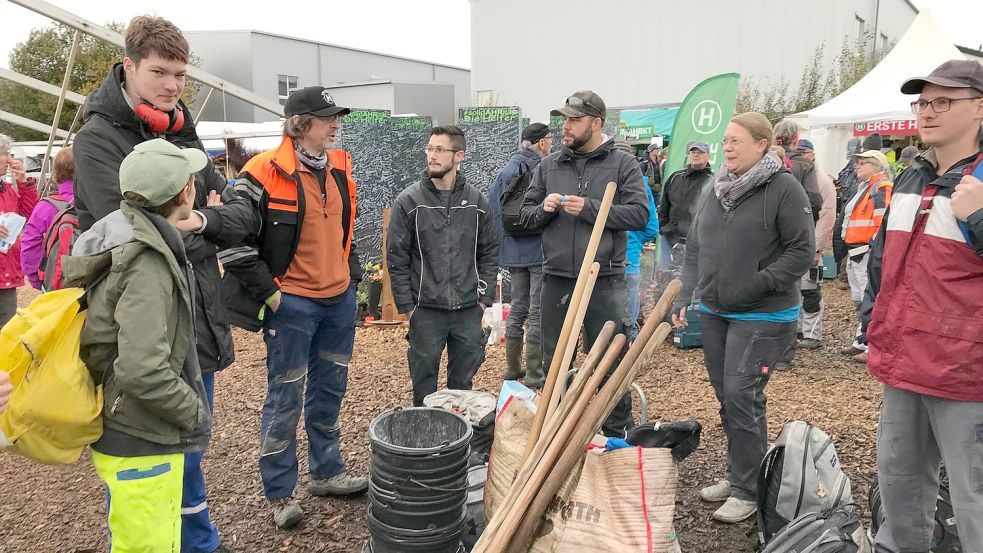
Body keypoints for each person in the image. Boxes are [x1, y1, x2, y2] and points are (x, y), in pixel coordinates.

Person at [70, 16, 255, 553]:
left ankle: (193, 539)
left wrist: (199, 223)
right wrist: (209, 224)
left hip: (194, 310)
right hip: (142, 315)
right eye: (160, 72)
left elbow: (240, 215)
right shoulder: (98, 138)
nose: (173, 85)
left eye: (180, 74)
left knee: (184, 456)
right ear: (128, 66)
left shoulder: (175, 123)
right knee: (151, 452)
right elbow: (131, 238)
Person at [221, 86, 367, 529]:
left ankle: (327, 471)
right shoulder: (261, 171)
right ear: (300, 125)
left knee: (330, 390)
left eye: (336, 118)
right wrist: (272, 295)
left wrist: (352, 277)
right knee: (285, 396)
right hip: (293, 305)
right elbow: (231, 240)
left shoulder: (340, 167)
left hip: (337, 302)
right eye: (327, 119)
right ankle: (280, 491)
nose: (335, 125)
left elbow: (344, 229)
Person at [62, 139, 212, 553]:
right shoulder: (147, 261)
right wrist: (193, 412)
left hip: (121, 426)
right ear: (185, 193)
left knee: (132, 537)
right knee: (148, 544)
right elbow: (142, 368)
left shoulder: (119, 232)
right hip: (143, 436)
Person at [861, 58, 983, 552]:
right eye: (922, 102)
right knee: (900, 486)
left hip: (967, 373)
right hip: (904, 362)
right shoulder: (912, 177)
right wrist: (873, 317)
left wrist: (978, 218)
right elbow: (882, 260)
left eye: (942, 102)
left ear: (979, 108)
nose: (927, 112)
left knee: (974, 499)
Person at [672, 112, 814, 523]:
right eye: (725, 141)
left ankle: (749, 490)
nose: (727, 148)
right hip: (716, 311)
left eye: (735, 141)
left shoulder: (784, 189)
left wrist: (757, 283)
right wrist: (685, 290)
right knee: (729, 397)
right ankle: (741, 475)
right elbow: (696, 244)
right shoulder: (718, 189)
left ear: (762, 145)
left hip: (765, 314)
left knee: (741, 396)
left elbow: (801, 252)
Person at [519, 90, 649, 438]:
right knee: (555, 363)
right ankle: (554, 434)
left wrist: (591, 209)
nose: (565, 126)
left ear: (596, 123)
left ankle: (615, 434)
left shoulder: (622, 164)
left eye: (574, 120)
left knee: (608, 362)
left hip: (604, 279)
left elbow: (640, 214)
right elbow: (523, 217)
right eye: (564, 119)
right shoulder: (549, 166)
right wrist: (543, 209)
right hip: (557, 278)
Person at [387, 125, 499, 407]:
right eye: (429, 149)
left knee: (462, 390)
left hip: (467, 311)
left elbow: (489, 252)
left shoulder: (476, 202)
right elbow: (396, 258)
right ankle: (424, 445)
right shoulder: (409, 201)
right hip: (425, 311)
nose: (432, 156)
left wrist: (483, 301)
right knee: (423, 388)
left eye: (440, 150)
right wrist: (408, 307)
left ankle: (457, 444)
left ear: (459, 155)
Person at [485, 122, 550, 388]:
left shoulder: (507, 169)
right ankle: (535, 373)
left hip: (513, 251)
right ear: (542, 143)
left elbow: (492, 206)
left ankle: (513, 368)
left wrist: (505, 243)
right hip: (537, 248)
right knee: (536, 310)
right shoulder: (543, 168)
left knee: (518, 306)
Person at [776, 140, 838, 368]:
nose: (801, 156)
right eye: (798, 152)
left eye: (804, 152)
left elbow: (827, 216)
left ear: (812, 154)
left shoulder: (822, 181)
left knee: (810, 289)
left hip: (810, 243)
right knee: (795, 290)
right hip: (794, 244)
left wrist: (817, 247)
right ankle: (800, 329)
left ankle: (813, 333)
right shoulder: (795, 177)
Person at [840, 149, 893, 364]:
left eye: (863, 163)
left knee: (868, 297)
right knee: (860, 298)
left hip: (865, 250)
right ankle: (862, 340)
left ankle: (871, 344)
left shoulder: (881, 187)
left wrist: (873, 247)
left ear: (876, 165)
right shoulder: (868, 187)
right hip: (858, 249)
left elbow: (882, 221)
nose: (857, 166)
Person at [21, 146, 74, 290]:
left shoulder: (46, 206)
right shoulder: (94, 201)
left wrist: (37, 279)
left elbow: (30, 243)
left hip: (55, 281)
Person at [0, 134, 39, 326]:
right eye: (4, 154)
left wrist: (23, 182)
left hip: (6, 272)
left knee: (6, 331)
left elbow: (31, 215)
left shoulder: (7, 189)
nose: (9, 159)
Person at [658, 141, 713, 251]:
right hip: (669, 239)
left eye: (700, 152)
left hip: (696, 244)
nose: (696, 155)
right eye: (693, 152)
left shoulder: (714, 181)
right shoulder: (675, 177)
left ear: (708, 155)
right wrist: (664, 228)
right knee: (665, 269)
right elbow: (664, 206)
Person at [773, 120, 823, 222]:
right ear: (795, 138)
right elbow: (814, 200)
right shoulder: (805, 164)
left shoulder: (762, 159)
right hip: (794, 223)